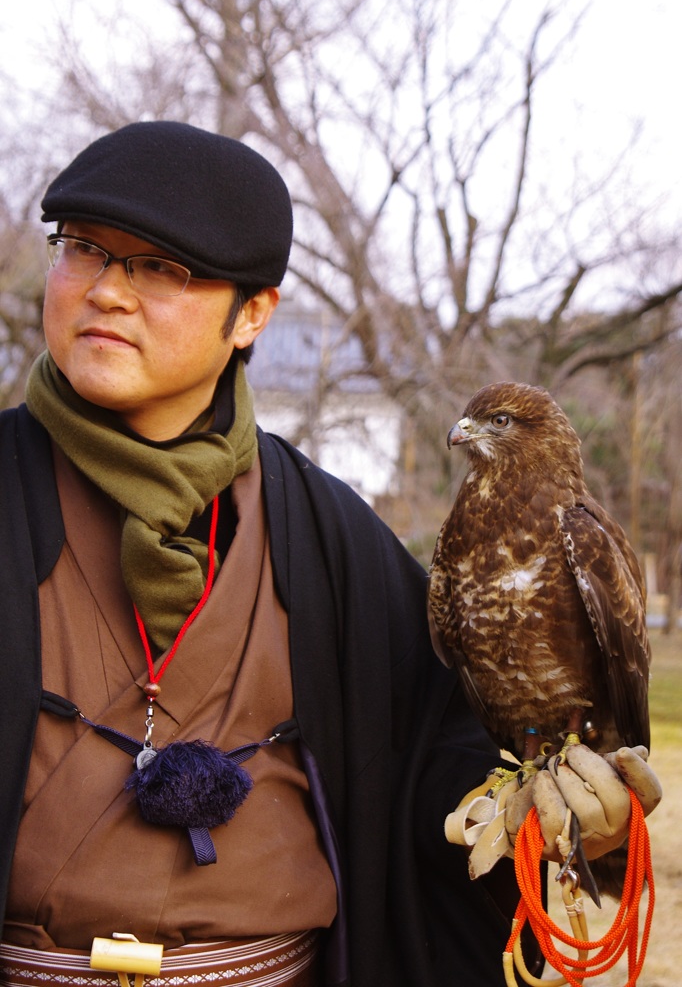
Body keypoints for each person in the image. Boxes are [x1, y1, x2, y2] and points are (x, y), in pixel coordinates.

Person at [0, 121, 660, 987]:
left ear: (254, 314)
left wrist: (561, 823)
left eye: (160, 266)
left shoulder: (332, 537)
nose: (107, 292)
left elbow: (442, 769)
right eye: (84, 249)